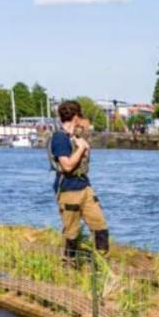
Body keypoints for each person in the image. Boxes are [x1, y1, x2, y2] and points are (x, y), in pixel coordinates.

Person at [49, 101, 109, 261]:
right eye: (80, 117)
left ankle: (100, 264)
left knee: (100, 227)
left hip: (85, 187)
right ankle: (68, 267)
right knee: (71, 234)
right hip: (68, 190)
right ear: (75, 118)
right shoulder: (59, 138)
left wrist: (82, 144)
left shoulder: (74, 137)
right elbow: (67, 166)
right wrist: (82, 148)